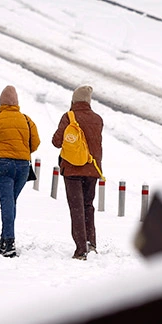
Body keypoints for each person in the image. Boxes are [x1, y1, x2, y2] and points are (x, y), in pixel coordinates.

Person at [0, 85, 39, 258]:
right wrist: (22, 151)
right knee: (11, 202)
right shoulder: (27, 120)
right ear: (17, 102)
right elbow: (36, 143)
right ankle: (4, 239)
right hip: (23, 167)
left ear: (1, 102)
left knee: (7, 202)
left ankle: (9, 242)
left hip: (3, 166)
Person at [52, 85, 104, 261]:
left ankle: (81, 250)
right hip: (92, 169)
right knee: (88, 206)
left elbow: (56, 141)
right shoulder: (98, 119)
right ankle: (92, 244)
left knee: (76, 208)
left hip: (73, 170)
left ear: (73, 100)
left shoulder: (68, 117)